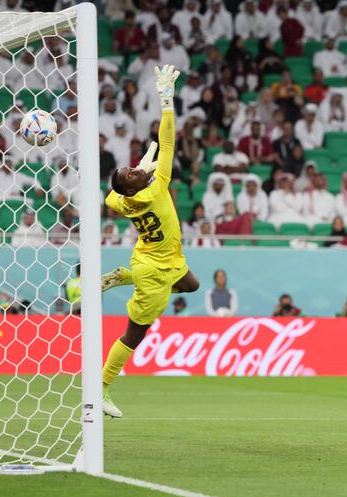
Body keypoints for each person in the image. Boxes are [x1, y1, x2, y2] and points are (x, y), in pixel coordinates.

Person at [99, 65, 200, 418]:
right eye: (132, 172)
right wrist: (167, 100)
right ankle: (102, 388)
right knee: (134, 335)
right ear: (135, 186)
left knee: (191, 284)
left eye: (132, 167)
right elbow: (169, 140)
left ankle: (124, 277)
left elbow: (111, 199)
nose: (136, 168)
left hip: (158, 257)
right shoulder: (156, 189)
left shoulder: (124, 199)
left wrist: (138, 172)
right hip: (154, 271)